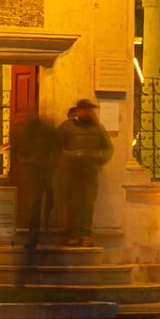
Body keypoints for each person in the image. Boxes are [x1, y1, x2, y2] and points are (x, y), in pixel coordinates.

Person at [13, 101, 61, 280]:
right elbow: (20, 148)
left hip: (45, 171)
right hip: (35, 172)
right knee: (35, 204)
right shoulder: (28, 130)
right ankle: (34, 236)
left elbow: (56, 146)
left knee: (47, 201)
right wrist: (24, 162)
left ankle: (43, 232)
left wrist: (52, 165)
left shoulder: (45, 128)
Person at [58, 99, 109, 243]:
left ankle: (85, 234)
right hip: (72, 172)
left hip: (90, 172)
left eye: (90, 110)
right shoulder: (67, 127)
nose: (89, 113)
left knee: (87, 204)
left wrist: (99, 158)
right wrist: (72, 156)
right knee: (73, 204)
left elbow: (107, 148)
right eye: (86, 110)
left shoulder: (98, 128)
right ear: (79, 110)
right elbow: (56, 147)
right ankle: (73, 234)